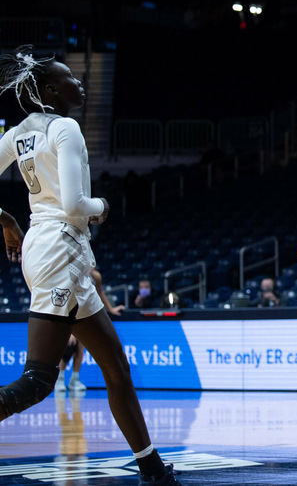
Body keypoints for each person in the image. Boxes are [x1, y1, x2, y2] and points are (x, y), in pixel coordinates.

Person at [0, 45, 183, 485]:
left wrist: (4, 218)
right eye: (69, 78)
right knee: (40, 380)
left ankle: (151, 468)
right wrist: (102, 205)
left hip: (54, 251)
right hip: (60, 248)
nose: (78, 82)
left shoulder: (18, 133)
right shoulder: (65, 128)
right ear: (51, 90)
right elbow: (74, 204)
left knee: (116, 366)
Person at [55, 267, 124, 393]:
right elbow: (66, 296)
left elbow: (100, 292)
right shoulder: (73, 273)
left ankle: (74, 380)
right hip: (70, 313)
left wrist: (111, 309)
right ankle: (60, 379)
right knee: (68, 346)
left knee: (80, 347)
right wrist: (69, 327)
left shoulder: (96, 276)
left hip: (86, 313)